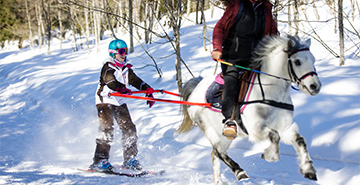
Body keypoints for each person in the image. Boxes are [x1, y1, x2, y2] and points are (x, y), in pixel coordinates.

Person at [211, 0, 278, 139]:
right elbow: (220, 28)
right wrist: (217, 48)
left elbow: (273, 35)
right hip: (232, 57)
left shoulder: (265, 9)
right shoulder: (237, 5)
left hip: (255, 60)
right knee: (232, 82)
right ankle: (230, 121)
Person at [90, 39, 155, 172]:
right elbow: (110, 81)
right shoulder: (108, 67)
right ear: (113, 53)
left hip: (119, 101)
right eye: (121, 51)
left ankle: (130, 158)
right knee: (107, 128)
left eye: (125, 51)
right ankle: (100, 160)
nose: (123, 54)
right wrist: (120, 88)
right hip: (105, 100)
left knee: (129, 128)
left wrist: (148, 90)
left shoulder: (125, 68)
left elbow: (135, 81)